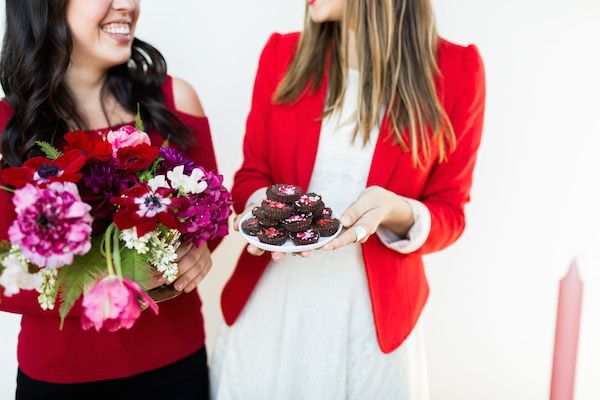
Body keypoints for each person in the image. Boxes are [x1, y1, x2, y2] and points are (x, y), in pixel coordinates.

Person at [211, 0, 485, 398]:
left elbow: (450, 212)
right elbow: (252, 174)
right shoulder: (281, 54)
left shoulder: (458, 71)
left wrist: (394, 210)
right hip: (272, 312)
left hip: (373, 327)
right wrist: (264, 212)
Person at [0, 0, 218, 398]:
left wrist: (198, 248)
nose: (128, 5)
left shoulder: (175, 101)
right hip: (59, 380)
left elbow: (212, 217)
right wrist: (93, 280)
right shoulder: (7, 130)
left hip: (176, 365)